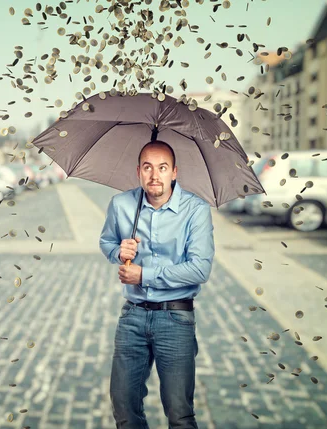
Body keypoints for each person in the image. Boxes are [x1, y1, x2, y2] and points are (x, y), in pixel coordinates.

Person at [99, 140, 215, 429]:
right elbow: (107, 242)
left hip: (176, 318)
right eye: (148, 167)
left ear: (174, 172)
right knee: (124, 406)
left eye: (162, 168)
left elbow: (200, 269)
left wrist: (144, 275)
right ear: (138, 171)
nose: (155, 176)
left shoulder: (196, 210)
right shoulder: (122, 204)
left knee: (179, 413)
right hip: (133, 316)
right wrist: (118, 252)